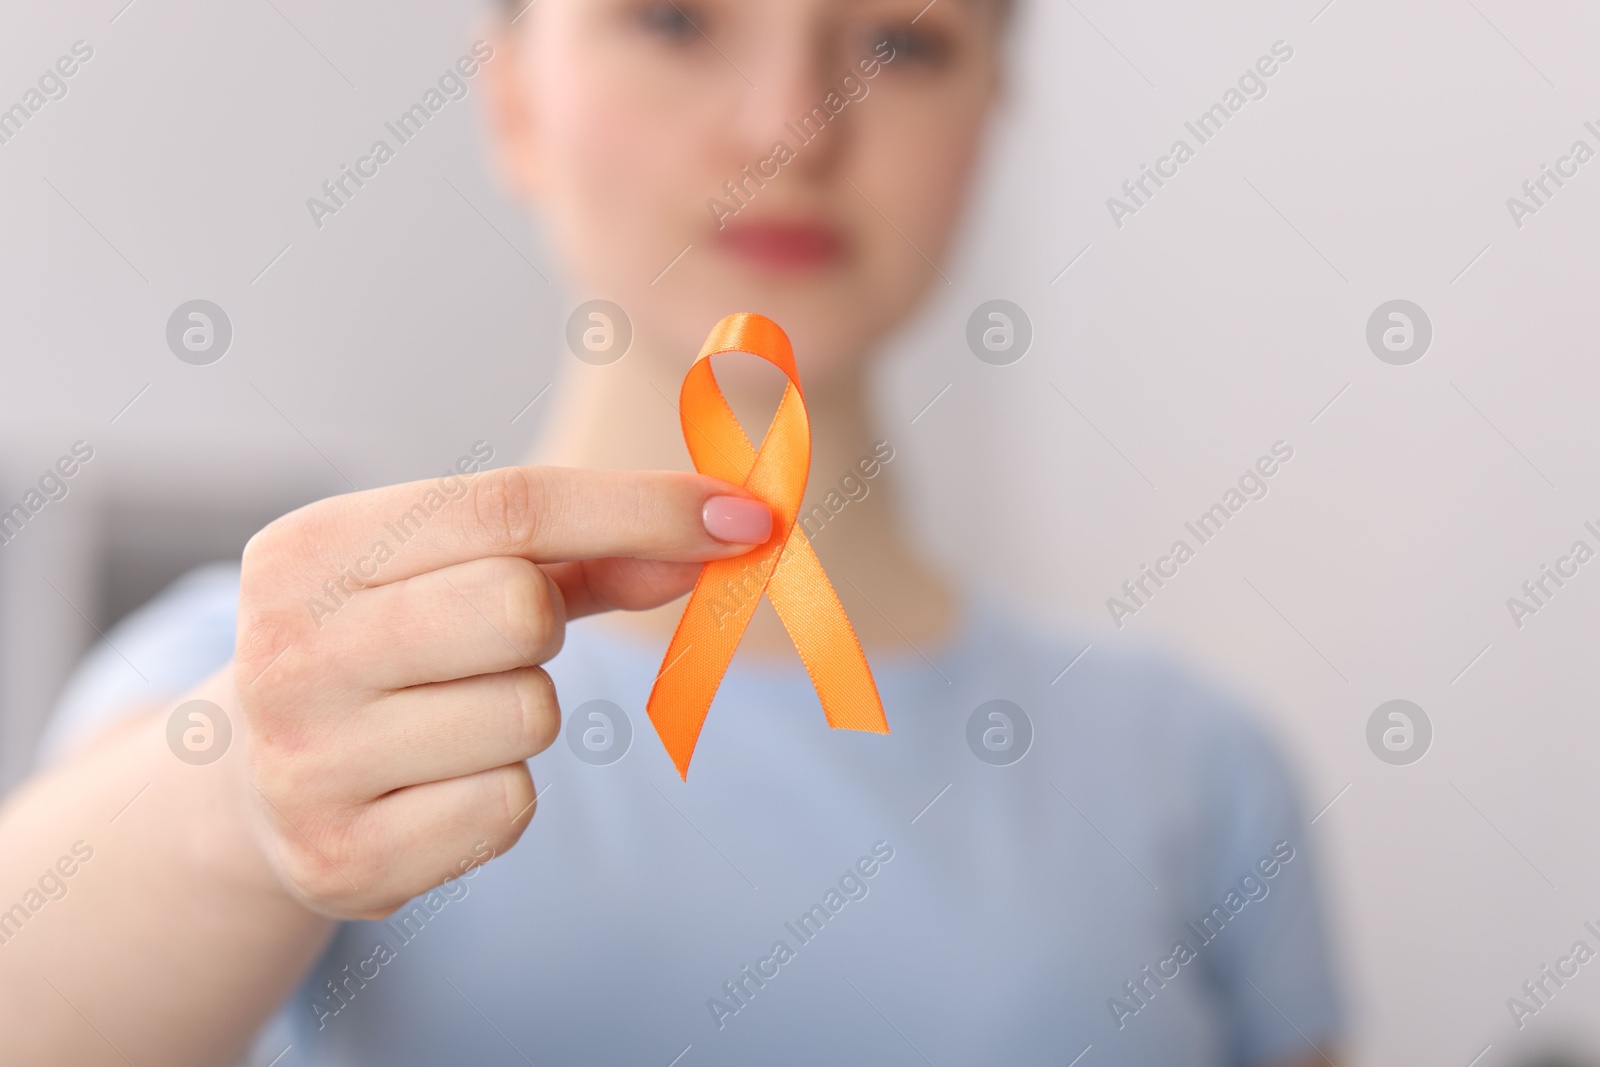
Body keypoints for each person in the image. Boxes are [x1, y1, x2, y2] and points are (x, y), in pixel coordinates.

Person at [0, 0, 1343, 1063]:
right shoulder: (251, 686)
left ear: (995, 108)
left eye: (898, 40)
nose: (788, 129)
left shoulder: (1197, 762)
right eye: (674, 20)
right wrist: (247, 795)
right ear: (513, 96)